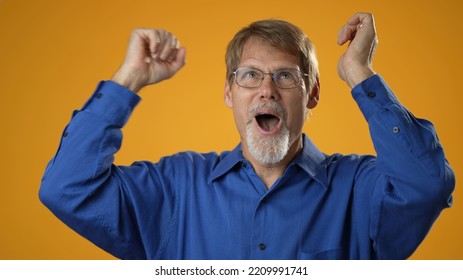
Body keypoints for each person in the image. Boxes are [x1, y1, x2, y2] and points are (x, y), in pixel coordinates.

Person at [39, 12, 455, 260]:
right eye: (250, 75)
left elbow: (428, 185)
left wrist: (360, 73)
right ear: (229, 93)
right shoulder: (175, 188)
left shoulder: (358, 190)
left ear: (311, 95)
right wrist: (129, 78)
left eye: (286, 76)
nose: (267, 90)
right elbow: (66, 188)